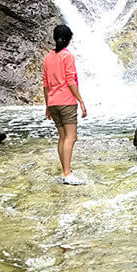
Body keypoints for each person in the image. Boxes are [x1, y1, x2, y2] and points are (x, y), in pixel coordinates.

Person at [43, 25, 87, 185]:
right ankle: (67, 173)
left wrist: (47, 105)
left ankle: (65, 170)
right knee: (71, 137)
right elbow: (70, 80)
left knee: (62, 137)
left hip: (53, 102)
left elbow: (45, 84)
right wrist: (81, 101)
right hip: (66, 102)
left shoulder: (48, 57)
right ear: (68, 40)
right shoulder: (67, 57)